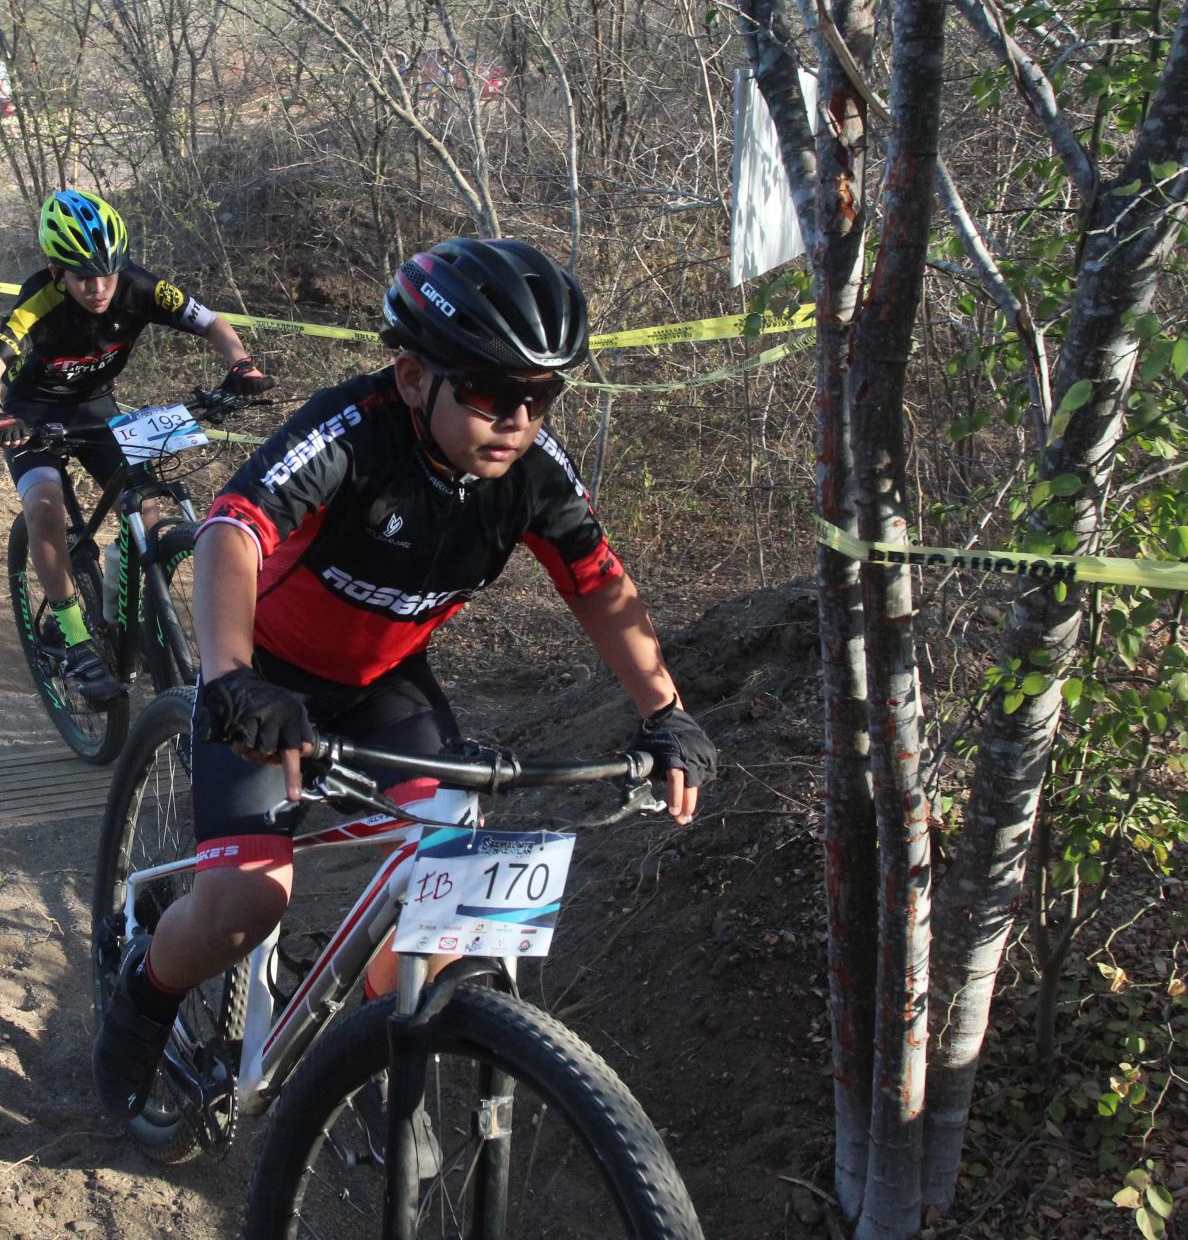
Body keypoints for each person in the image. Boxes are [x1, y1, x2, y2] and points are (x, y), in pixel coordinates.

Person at [88, 237, 718, 1122]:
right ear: (416, 377)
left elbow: (599, 583)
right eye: (494, 392)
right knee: (245, 903)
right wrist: (231, 678)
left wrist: (667, 711)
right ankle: (144, 990)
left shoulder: (531, 474)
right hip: (266, 677)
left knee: (456, 889)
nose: (520, 419)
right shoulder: (354, 429)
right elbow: (229, 532)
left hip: (384, 680)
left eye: (543, 397)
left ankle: (363, 1044)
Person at [0, 189, 271, 699]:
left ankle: (119, 608)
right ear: (56, 271)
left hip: (94, 406)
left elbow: (211, 322)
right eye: (83, 276)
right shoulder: (39, 299)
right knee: (44, 506)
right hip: (31, 414)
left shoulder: (139, 286)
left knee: (148, 503)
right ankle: (73, 637)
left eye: (107, 273)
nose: (98, 287)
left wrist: (240, 363)